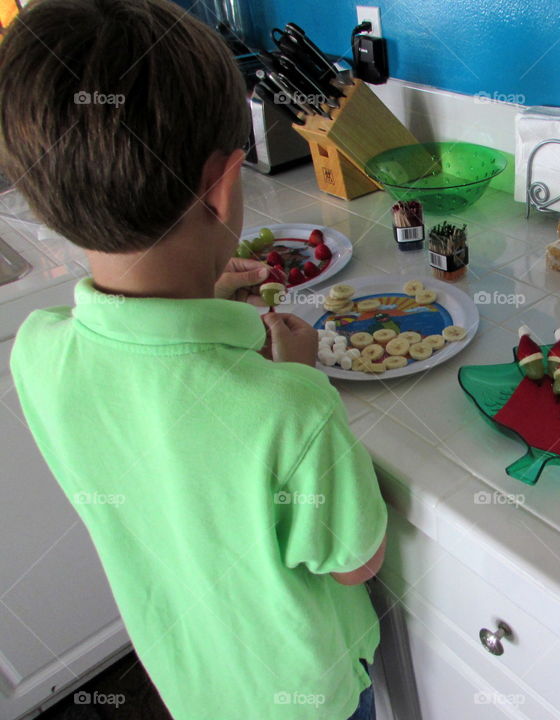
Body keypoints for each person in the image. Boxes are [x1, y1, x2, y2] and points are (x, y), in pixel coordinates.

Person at [0, 1, 387, 718]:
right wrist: (298, 375)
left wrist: (202, 294)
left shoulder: (37, 348)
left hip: (189, 681)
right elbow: (355, 565)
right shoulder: (288, 409)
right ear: (226, 184)